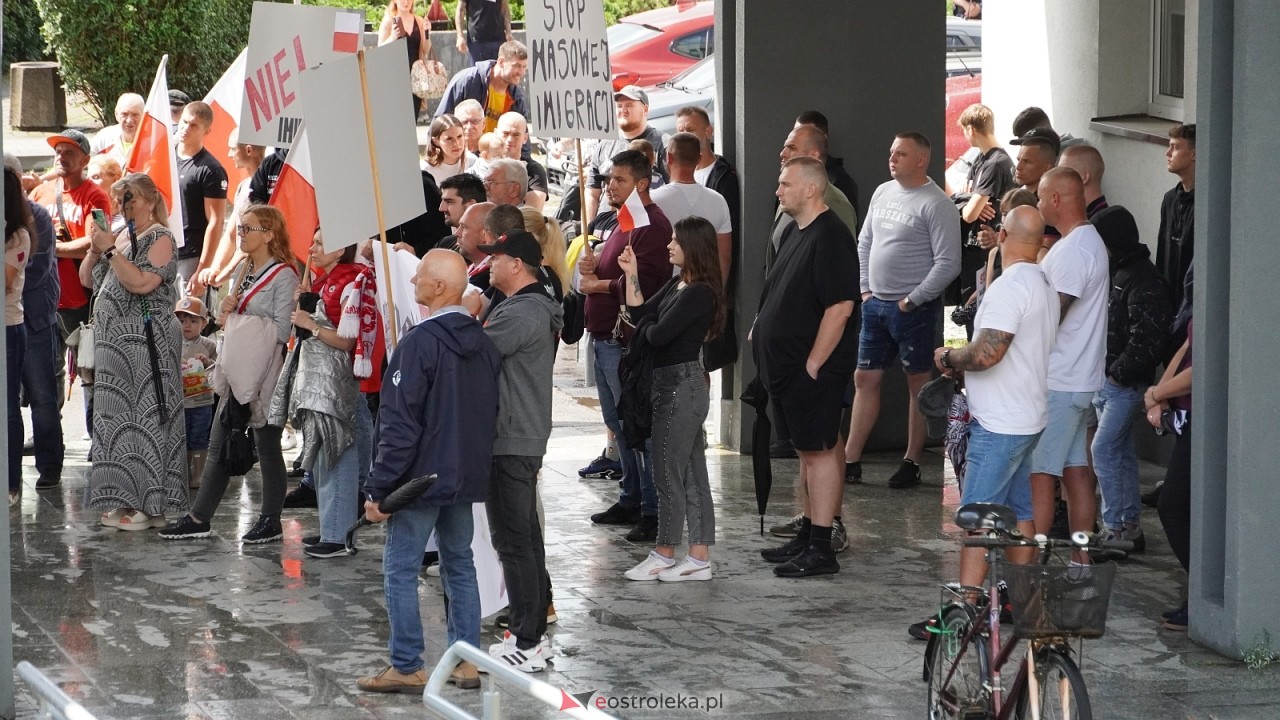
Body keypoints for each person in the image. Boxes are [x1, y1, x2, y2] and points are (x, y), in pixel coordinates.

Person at [356, 249, 500, 694]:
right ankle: (466, 660)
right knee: (459, 562)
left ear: (439, 287)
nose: (413, 279)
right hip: (463, 475)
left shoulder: (420, 343)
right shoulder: (483, 342)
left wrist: (379, 488)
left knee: (401, 567)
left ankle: (407, 664)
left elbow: (399, 425)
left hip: (419, 479)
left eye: (420, 275)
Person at [912, 206, 1057, 636]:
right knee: (1020, 511)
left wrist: (949, 357)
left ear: (1005, 236)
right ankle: (1023, 602)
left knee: (975, 517)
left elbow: (988, 353)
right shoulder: (1043, 282)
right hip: (1027, 416)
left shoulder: (1011, 287)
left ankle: (963, 611)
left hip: (1000, 423)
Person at [160, 205, 300, 543]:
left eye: (248, 228)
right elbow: (234, 320)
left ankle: (270, 519)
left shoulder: (284, 275)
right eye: (240, 227)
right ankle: (199, 517)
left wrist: (239, 318)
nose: (241, 233)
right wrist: (227, 314)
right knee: (219, 440)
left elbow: (283, 330)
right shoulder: (243, 268)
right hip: (236, 368)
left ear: (269, 234)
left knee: (267, 445)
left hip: (266, 370)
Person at [754, 157, 858, 577]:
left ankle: (821, 546)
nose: (778, 191)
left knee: (819, 453)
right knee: (808, 452)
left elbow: (840, 307)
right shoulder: (796, 231)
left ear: (811, 188)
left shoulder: (831, 236)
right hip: (787, 368)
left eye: (785, 183)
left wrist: (814, 362)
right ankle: (808, 533)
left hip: (812, 371)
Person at [845, 132, 960, 488]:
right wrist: (865, 289)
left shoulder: (937, 204)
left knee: (917, 384)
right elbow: (865, 242)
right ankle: (850, 459)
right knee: (865, 378)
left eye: (901, 154)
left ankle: (912, 460)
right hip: (875, 304)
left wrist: (913, 299)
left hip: (914, 310)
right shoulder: (883, 192)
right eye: (892, 152)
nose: (892, 158)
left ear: (921, 160)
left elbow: (948, 263)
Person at [618, 216, 725, 582]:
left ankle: (664, 553)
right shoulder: (679, 284)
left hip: (681, 388)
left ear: (692, 246)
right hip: (674, 386)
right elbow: (640, 315)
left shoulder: (698, 293)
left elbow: (657, 334)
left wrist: (646, 330)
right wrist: (631, 274)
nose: (669, 245)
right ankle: (698, 557)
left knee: (666, 474)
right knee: (691, 474)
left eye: (676, 240)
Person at [477, 230, 563, 670]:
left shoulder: (522, 311)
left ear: (516, 265)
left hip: (512, 437)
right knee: (522, 538)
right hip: (517, 434)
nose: (489, 264)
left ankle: (528, 640)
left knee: (513, 541)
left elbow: (475, 353)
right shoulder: (521, 306)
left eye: (496, 257)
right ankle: (529, 632)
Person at [81, 174, 186, 529]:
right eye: (119, 200)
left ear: (151, 201)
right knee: (117, 421)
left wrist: (111, 251)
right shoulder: (120, 236)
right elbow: (87, 280)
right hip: (115, 346)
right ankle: (125, 497)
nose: (123, 206)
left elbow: (142, 283)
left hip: (146, 342)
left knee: (146, 419)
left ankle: (151, 504)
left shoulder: (160, 236)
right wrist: (96, 249)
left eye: (131, 199)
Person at [579, 150, 673, 542]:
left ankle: (651, 508)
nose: (609, 186)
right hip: (604, 336)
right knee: (617, 425)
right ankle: (631, 496)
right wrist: (595, 264)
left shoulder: (652, 224)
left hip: (624, 341)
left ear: (642, 183)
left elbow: (646, 284)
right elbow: (619, 267)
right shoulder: (624, 220)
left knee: (635, 426)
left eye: (618, 180)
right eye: (608, 179)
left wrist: (599, 284)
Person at [1028, 167, 1109, 561]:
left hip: (1061, 381)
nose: (1038, 203)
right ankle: (1081, 562)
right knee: (1076, 471)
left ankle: (1032, 563)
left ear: (1056, 199)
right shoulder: (1080, 243)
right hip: (1078, 380)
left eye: (1040, 196)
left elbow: (1050, 317)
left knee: (1041, 473)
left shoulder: (1075, 250)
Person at [285, 230, 374, 559]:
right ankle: (330, 528)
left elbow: (347, 340)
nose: (311, 248)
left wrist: (311, 324)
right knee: (322, 458)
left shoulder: (350, 281)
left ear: (340, 250)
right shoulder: (327, 280)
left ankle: (338, 535)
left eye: (320, 243)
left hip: (337, 382)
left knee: (338, 454)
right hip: (320, 382)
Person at [1088, 201, 1170, 552]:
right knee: (1117, 452)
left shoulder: (1142, 279)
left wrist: (1117, 375)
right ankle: (1128, 528)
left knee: (1104, 449)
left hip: (1123, 383)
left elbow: (1147, 338)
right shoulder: (1122, 272)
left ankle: (1116, 529)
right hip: (1113, 381)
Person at [27, 129, 111, 421]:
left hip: (79, 300)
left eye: (69, 152)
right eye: (58, 152)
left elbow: (98, 240)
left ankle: (97, 433)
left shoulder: (96, 196)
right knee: (46, 372)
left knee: (89, 369)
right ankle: (48, 434)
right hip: (42, 299)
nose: (61, 157)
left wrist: (51, 249)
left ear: (85, 160)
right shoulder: (40, 193)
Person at [6, 152, 63, 491]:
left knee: (42, 397)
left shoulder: (35, 217)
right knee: (9, 402)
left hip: (34, 319)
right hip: (12, 319)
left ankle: (49, 466)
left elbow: (36, 269)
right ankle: (10, 471)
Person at [952, 103, 1014, 334]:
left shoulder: (994, 164)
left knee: (976, 313)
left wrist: (969, 202)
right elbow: (962, 196)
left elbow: (969, 214)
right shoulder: (981, 159)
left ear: (971, 129)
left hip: (982, 250)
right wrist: (970, 199)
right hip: (975, 248)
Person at [1147, 331, 1193, 631]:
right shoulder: (1194, 314)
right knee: (1179, 508)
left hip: (1202, 417)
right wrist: (1157, 394)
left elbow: (1199, 367)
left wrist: (1156, 394)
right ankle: (1200, 594)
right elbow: (1186, 348)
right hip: (1187, 416)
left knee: (1173, 507)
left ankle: (1203, 593)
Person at [766, 125, 857, 272]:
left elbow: (841, 264)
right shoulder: (789, 198)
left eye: (792, 148)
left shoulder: (835, 202)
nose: (783, 153)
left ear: (814, 156)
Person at [651, 133, 732, 280]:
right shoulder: (718, 201)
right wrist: (718, 290)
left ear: (668, 157)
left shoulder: (652, 200)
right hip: (704, 286)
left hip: (660, 286)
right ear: (699, 159)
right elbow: (724, 256)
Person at [583, 86, 669, 221]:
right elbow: (592, 192)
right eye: (619, 106)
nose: (623, 110)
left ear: (645, 109)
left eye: (629, 105)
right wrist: (589, 227)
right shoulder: (604, 144)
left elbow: (673, 191)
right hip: (604, 226)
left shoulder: (663, 144)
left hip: (643, 228)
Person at [199, 130, 265, 290]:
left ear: (249, 150)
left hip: (260, 278)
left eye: (232, 149)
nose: (229, 154)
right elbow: (231, 234)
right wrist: (215, 269)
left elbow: (254, 242)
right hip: (237, 278)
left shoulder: (267, 189)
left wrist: (223, 275)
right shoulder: (243, 186)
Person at [175, 101, 229, 292]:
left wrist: (202, 269)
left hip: (191, 255)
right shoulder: (166, 157)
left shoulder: (211, 170)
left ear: (206, 131)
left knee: (189, 309)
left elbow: (216, 221)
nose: (186, 129)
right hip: (164, 251)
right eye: (184, 122)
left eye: (194, 125)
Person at [5, 167, 34, 507]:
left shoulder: (18, 236)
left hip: (9, 328)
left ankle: (11, 483)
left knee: (9, 406)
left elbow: (5, 282)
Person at [435, 40, 529, 135]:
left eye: (524, 67)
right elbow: (440, 122)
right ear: (501, 62)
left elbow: (522, 136)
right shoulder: (467, 81)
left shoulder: (516, 98)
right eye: (517, 66)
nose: (521, 72)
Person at [1157, 123, 1196, 350]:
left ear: (1194, 154)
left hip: (1191, 307)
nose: (1168, 153)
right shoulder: (1170, 199)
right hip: (1168, 304)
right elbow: (1162, 250)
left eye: (1175, 147)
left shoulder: (1207, 201)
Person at [175, 297, 217, 490]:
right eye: (182, 321)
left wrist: (207, 362)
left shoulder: (209, 345)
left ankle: (198, 475)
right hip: (178, 403)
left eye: (193, 321)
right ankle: (181, 474)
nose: (187, 325)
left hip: (202, 402)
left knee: (199, 437)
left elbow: (218, 369)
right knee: (180, 438)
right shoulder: (172, 343)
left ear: (204, 323)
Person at [794, 110, 860, 211]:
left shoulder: (839, 182)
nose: (795, 139)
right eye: (794, 133)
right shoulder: (791, 176)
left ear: (822, 138)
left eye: (803, 135)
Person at [379, 0, 430, 120]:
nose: (406, 2)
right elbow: (379, 50)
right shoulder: (389, 21)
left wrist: (427, 32)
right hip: (394, 78)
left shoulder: (419, 21)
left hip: (415, 78)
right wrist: (392, 38)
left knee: (412, 118)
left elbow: (425, 49)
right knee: (396, 118)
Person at [494, 112, 549, 210]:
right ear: (495, 133)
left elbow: (532, 213)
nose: (510, 139)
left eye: (516, 135)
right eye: (505, 133)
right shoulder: (482, 165)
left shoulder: (534, 171)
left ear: (525, 138)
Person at [435, 172, 486, 252]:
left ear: (471, 205)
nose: (441, 208)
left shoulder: (489, 250)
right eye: (442, 201)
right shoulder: (444, 244)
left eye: (449, 202)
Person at [90, 93, 146, 166]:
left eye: (135, 115)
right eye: (124, 114)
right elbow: (85, 159)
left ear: (144, 116)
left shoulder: (153, 142)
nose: (129, 120)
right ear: (116, 114)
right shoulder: (105, 137)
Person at [455, 0, 513, 65]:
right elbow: (460, 10)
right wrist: (460, 36)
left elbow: (505, 9)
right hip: (477, 40)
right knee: (478, 69)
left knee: (499, 69)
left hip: (498, 39)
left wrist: (508, 32)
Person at [423, 115, 476, 186]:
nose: (456, 143)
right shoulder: (426, 170)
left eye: (459, 136)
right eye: (449, 139)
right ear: (436, 141)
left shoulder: (473, 162)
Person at [1010, 106, 1085, 150]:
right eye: (1022, 145)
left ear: (1046, 131)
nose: (1024, 150)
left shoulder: (1072, 159)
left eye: (1030, 143)